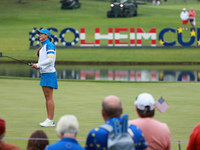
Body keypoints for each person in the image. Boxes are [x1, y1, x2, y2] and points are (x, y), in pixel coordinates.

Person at [32, 28, 58, 127]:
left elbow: (50, 60)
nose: (39, 35)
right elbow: (43, 62)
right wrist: (37, 66)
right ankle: (49, 119)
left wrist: (38, 65)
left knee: (49, 97)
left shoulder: (50, 45)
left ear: (47, 35)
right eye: (39, 34)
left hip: (49, 74)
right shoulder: (43, 47)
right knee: (47, 97)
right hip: (45, 73)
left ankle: (50, 120)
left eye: (42, 34)